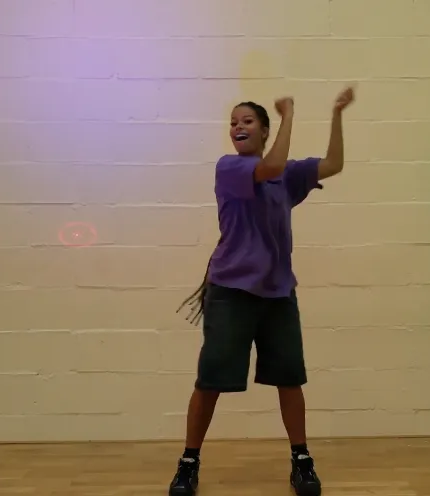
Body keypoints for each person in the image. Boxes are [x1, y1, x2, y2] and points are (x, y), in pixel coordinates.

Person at [170, 86, 355, 496]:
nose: (237, 126)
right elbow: (269, 167)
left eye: (247, 121)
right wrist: (290, 115)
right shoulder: (230, 168)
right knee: (211, 379)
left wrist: (337, 114)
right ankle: (188, 462)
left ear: (264, 130)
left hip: (277, 295)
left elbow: (334, 164)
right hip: (231, 291)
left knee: (290, 378)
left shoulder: (288, 175)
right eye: (233, 122)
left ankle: (302, 461)